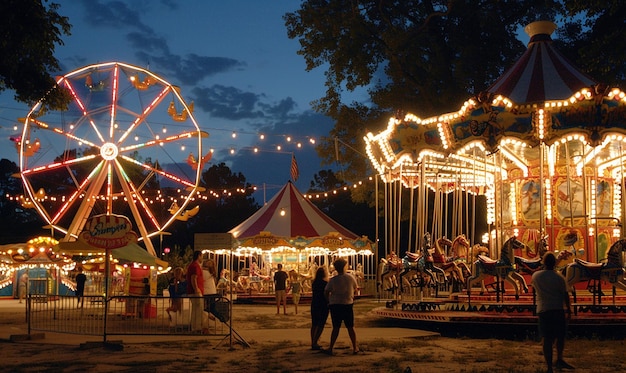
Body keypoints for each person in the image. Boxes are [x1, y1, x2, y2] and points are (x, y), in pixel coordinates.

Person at [531, 251, 575, 373]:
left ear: (543, 262)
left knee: (547, 338)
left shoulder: (536, 276)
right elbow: (565, 294)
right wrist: (569, 310)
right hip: (557, 309)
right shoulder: (559, 277)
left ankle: (549, 366)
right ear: (554, 262)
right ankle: (559, 359)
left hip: (543, 309)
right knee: (560, 336)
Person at [324, 257, 359, 355]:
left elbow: (326, 291)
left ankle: (331, 347)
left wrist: (328, 301)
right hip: (347, 303)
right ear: (344, 267)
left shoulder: (333, 280)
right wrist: (352, 295)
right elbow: (355, 288)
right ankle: (355, 347)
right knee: (350, 327)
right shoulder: (350, 277)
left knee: (336, 327)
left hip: (335, 304)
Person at [310, 266, 329, 350]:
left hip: (314, 303)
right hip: (323, 304)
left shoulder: (314, 283)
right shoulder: (325, 283)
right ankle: (315, 341)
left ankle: (313, 341)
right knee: (321, 323)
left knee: (314, 323)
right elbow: (326, 294)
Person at [186, 251, 204, 333]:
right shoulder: (195, 266)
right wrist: (196, 288)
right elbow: (193, 278)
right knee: (198, 309)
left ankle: (195, 327)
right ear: (199, 256)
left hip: (194, 290)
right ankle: (196, 327)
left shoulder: (192, 265)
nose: (202, 258)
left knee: (195, 309)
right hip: (196, 291)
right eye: (201, 256)